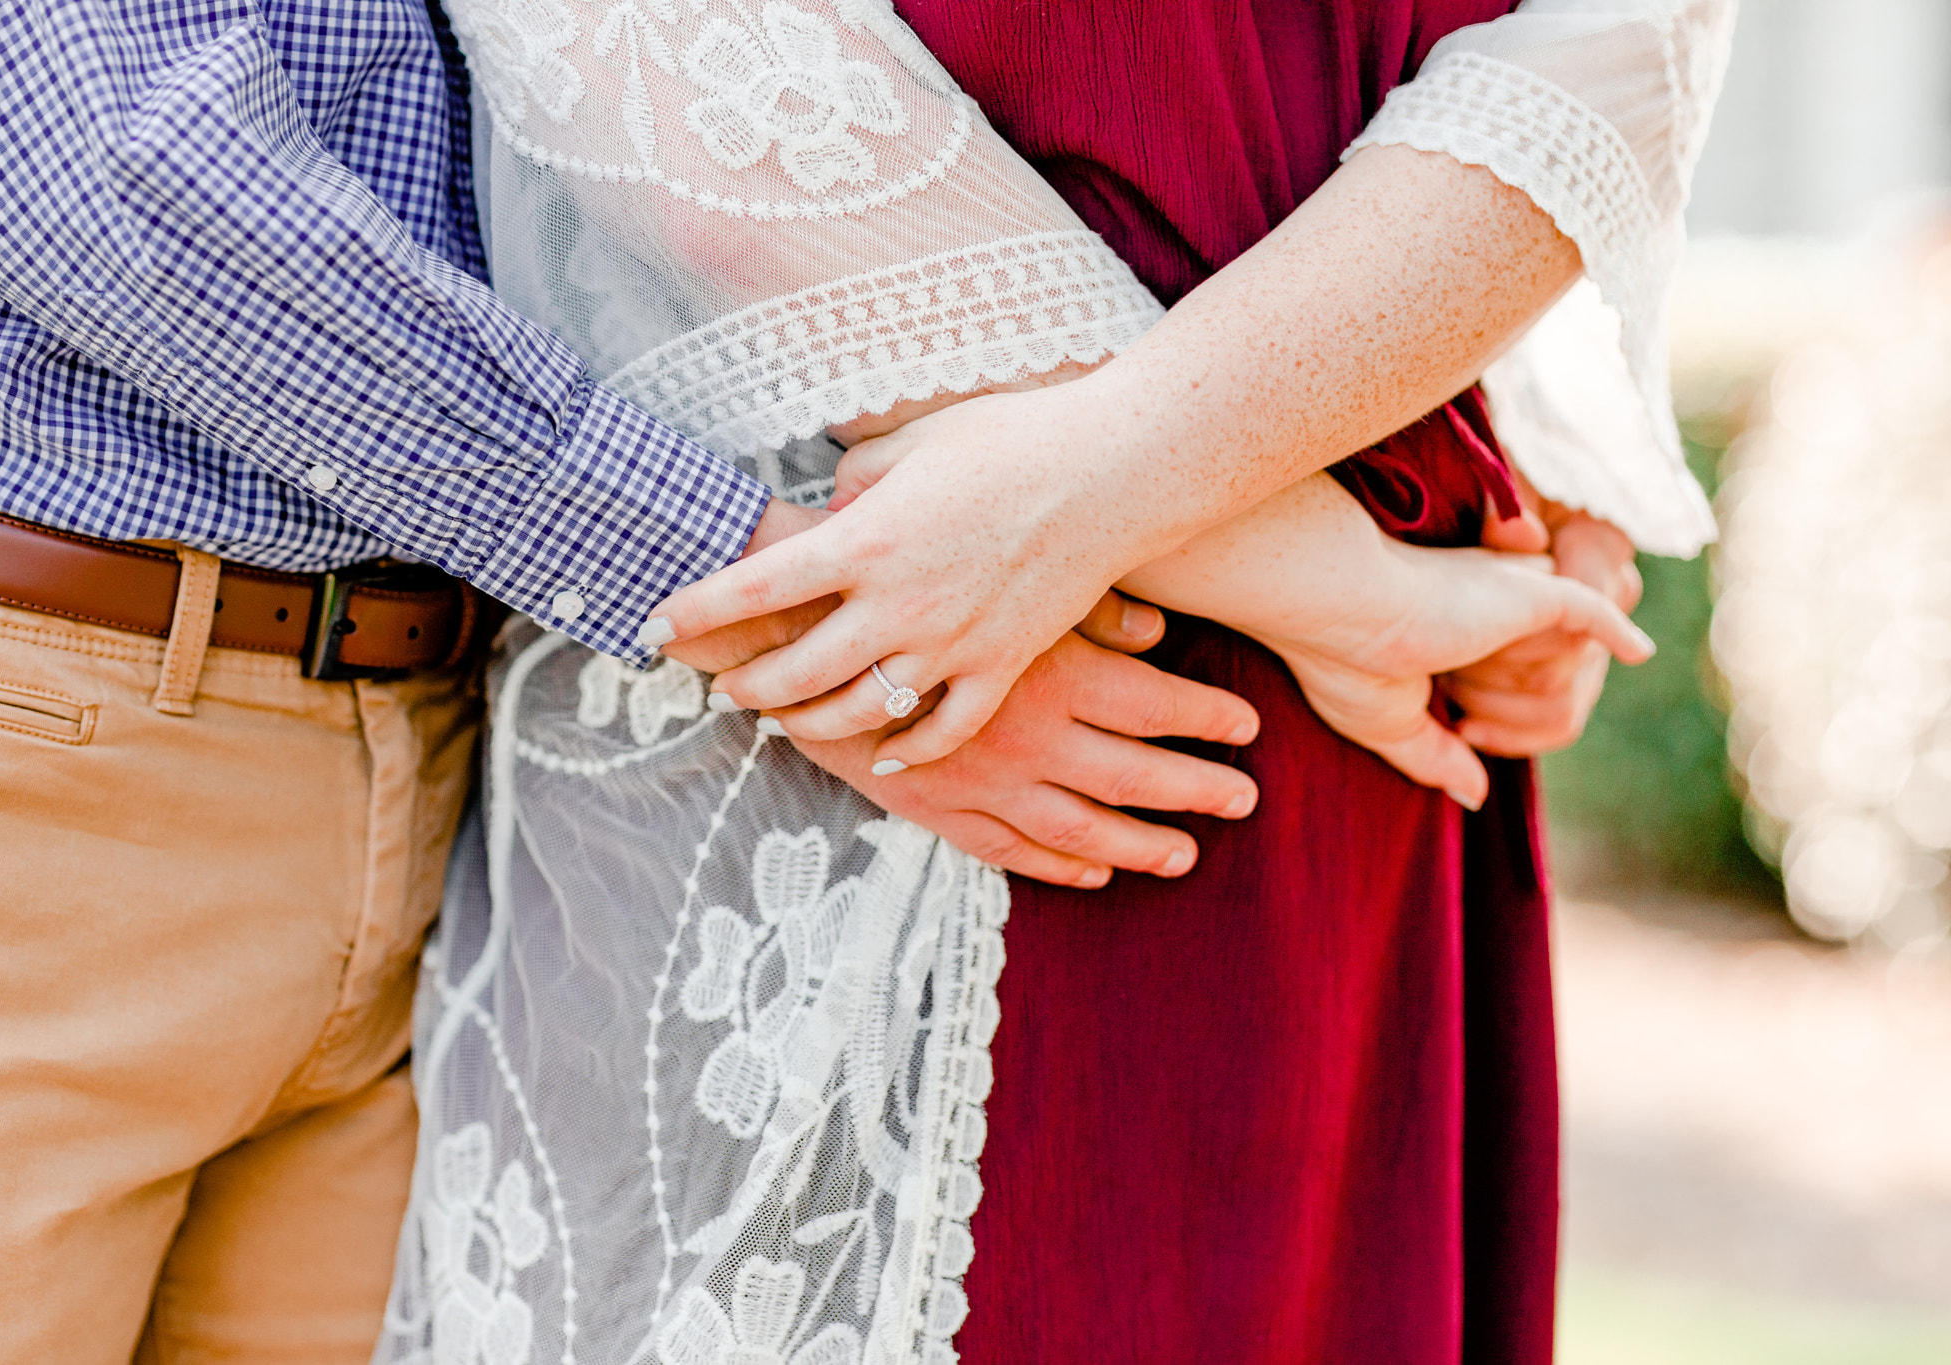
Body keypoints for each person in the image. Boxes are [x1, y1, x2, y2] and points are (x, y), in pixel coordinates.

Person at [0, 3, 1284, 1361]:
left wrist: (1343, 553)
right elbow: (132, 188)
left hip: (436, 763)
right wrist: (786, 616)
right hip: (28, 753)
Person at [380, 3, 1730, 1365]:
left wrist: (1528, 478)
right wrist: (1332, 574)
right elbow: (676, 63)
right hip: (902, 728)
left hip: (1350, 789)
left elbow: (1609, 54)